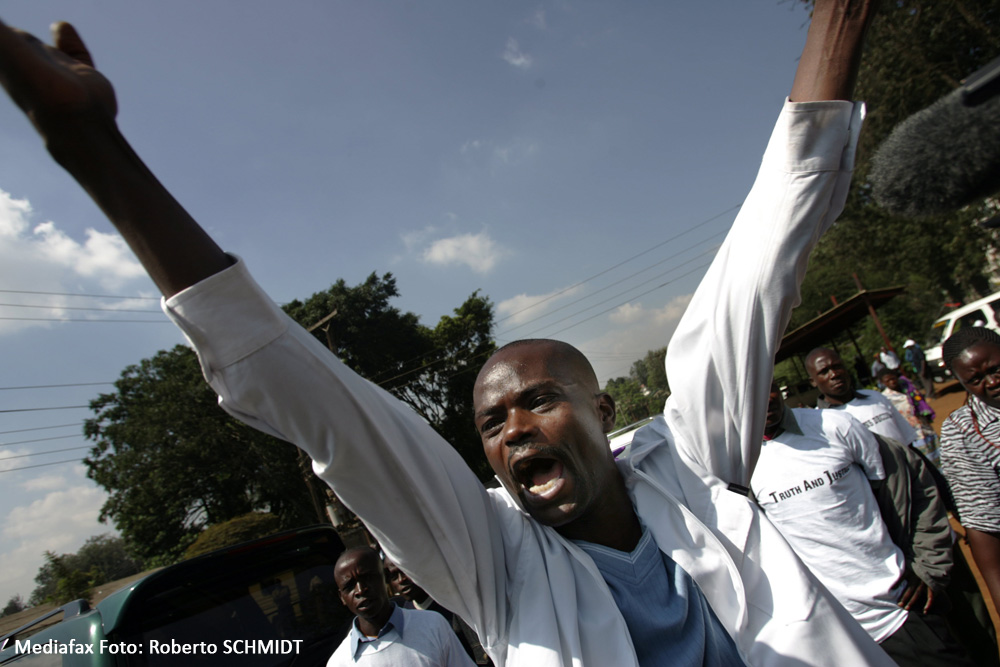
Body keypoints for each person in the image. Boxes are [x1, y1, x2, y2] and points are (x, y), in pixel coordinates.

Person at [0, 2, 893, 665]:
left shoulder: (691, 460)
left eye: (538, 400)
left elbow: (768, 243)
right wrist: (92, 150)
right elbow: (322, 406)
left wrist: (838, 16)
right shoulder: (491, 559)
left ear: (602, 409)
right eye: (491, 423)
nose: (513, 430)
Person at [752, 382, 971, 666]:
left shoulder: (835, 425)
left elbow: (910, 484)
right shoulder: (739, 466)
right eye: (748, 393)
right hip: (842, 636)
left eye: (765, 386)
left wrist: (927, 565)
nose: (763, 398)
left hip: (901, 611)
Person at [328, 547, 475, 666]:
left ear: (384, 577)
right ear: (342, 597)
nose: (360, 590)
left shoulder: (433, 625)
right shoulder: (339, 662)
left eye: (367, 578)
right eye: (349, 586)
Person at [940, 327, 1000, 609]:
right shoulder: (964, 432)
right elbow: (984, 527)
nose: (992, 382)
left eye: (996, 368)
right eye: (975, 380)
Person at [808, 347, 918, 447]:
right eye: (824, 372)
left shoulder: (875, 397)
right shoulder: (819, 421)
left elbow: (908, 442)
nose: (834, 374)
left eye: (837, 367)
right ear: (813, 381)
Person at [384, 557, 485, 665]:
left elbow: (481, 657)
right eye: (393, 576)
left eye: (404, 570)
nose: (401, 579)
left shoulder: (454, 606)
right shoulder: (403, 619)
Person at [878, 367, 939, 463]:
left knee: (940, 456)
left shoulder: (909, 388)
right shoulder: (885, 399)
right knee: (926, 462)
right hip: (912, 435)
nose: (892, 382)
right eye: (888, 381)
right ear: (882, 382)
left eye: (893, 378)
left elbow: (921, 404)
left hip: (925, 429)